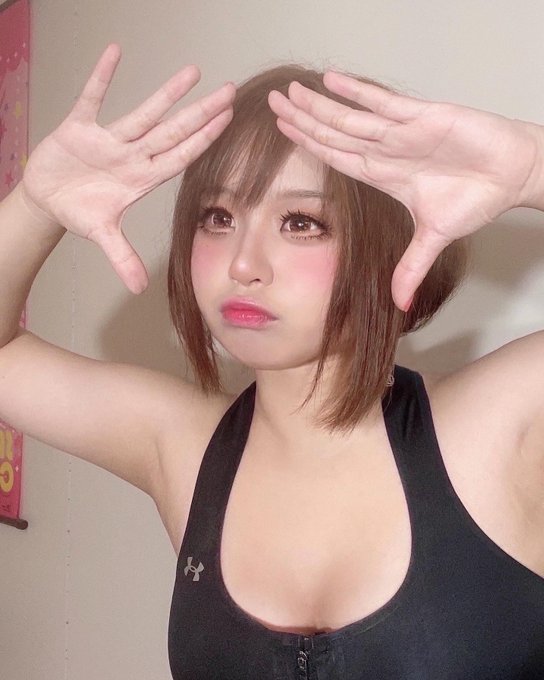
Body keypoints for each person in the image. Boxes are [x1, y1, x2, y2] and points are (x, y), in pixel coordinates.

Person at [1, 41, 543, 679]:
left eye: (302, 222)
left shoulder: (497, 428)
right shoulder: (181, 446)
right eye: (218, 217)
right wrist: (34, 205)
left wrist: (534, 166)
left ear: (388, 241)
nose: (243, 264)